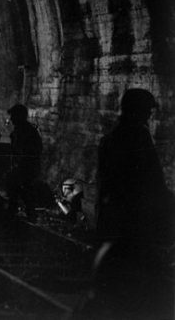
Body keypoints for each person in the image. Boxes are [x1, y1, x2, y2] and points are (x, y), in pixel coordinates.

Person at [87, 88, 174, 318]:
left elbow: (105, 184)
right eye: (146, 111)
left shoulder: (109, 139)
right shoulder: (139, 137)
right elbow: (153, 180)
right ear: (136, 111)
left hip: (112, 220)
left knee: (111, 282)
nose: (148, 116)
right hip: (134, 221)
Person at [5, 104, 42, 222]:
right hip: (25, 166)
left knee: (20, 187)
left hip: (27, 167)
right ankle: (20, 211)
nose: (11, 119)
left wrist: (19, 163)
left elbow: (28, 151)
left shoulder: (26, 132)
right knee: (19, 187)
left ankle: (24, 212)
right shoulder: (22, 130)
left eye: (13, 116)